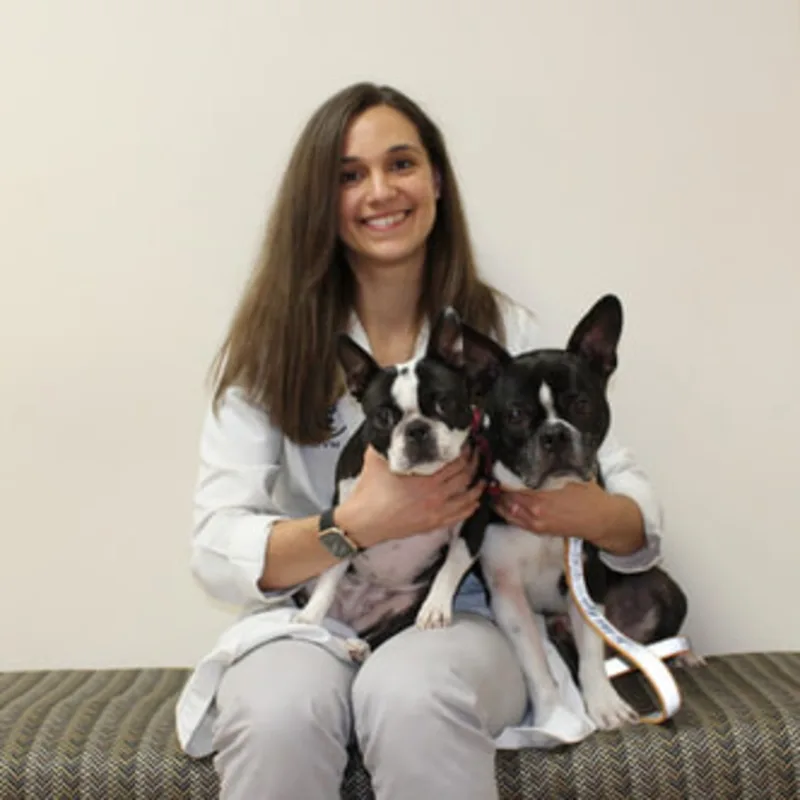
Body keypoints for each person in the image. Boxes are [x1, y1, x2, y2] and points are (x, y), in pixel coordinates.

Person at [175, 82, 664, 800]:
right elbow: (216, 548)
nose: (380, 190)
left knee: (412, 700)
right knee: (276, 712)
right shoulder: (272, 353)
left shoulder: (505, 333)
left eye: (400, 163)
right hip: (316, 608)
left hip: (467, 612)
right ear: (321, 199)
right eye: (349, 174)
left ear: (436, 179)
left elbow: (625, 501)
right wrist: (356, 526)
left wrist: (589, 515)